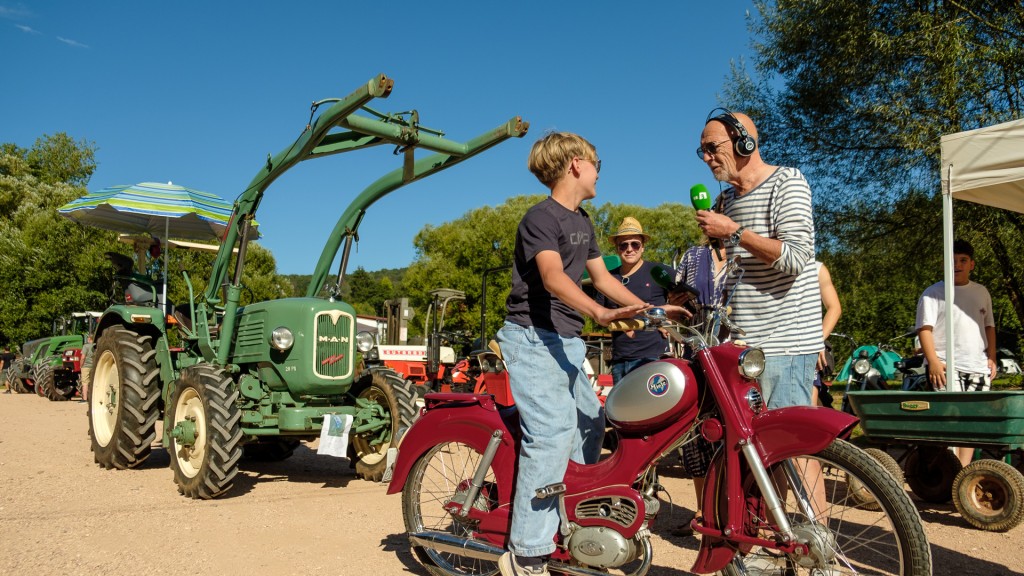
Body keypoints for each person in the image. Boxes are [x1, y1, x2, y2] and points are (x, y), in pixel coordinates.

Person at [496, 132, 674, 576]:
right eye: (597, 163)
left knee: (591, 424)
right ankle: (527, 553)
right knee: (553, 432)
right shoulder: (540, 217)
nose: (599, 172)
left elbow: (602, 278)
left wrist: (651, 309)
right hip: (532, 336)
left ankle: (570, 524)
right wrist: (599, 312)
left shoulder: (584, 220)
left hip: (567, 340)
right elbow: (554, 277)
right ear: (577, 164)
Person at [691, 108, 822, 409]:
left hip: (785, 346)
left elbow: (795, 259)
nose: (707, 158)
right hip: (742, 348)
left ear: (744, 143)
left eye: (713, 148)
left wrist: (734, 231)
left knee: (789, 447)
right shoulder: (727, 200)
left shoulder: (787, 182)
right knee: (753, 451)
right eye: (702, 151)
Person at [916, 239, 996, 467]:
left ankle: (963, 471)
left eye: (962, 260)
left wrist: (992, 358)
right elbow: (925, 328)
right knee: (951, 421)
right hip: (946, 366)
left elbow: (989, 326)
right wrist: (932, 361)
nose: (957, 265)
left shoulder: (981, 292)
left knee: (970, 422)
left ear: (972, 264)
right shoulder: (933, 293)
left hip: (977, 366)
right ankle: (947, 470)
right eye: (952, 261)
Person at [599, 216, 670, 384]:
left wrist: (668, 321)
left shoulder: (658, 271)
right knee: (623, 409)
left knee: (653, 409)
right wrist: (622, 318)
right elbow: (600, 315)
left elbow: (682, 296)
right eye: (623, 244)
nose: (629, 249)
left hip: (652, 358)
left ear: (643, 247)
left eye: (635, 244)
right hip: (620, 360)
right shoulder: (607, 279)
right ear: (617, 248)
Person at [812, 262, 842, 407]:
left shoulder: (817, 268)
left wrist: (818, 340)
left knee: (805, 410)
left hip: (806, 350)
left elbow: (834, 307)